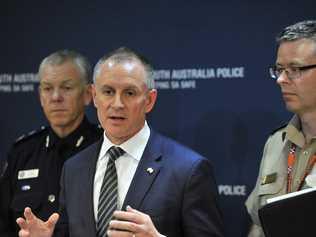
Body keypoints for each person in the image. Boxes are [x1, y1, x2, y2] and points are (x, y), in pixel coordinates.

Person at [16, 47, 225, 237]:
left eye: (129, 93)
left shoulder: (188, 170)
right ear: (95, 96)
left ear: (149, 100)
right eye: (108, 92)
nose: (117, 104)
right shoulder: (74, 168)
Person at [0, 49, 103, 236]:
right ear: (40, 96)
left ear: (89, 94)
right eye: (48, 88)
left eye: (67, 88)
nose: (56, 97)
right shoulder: (22, 153)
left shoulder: (106, 147)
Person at [246, 20, 316, 236]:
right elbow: (259, 223)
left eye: (294, 69)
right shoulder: (276, 142)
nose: (281, 80)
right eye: (279, 70)